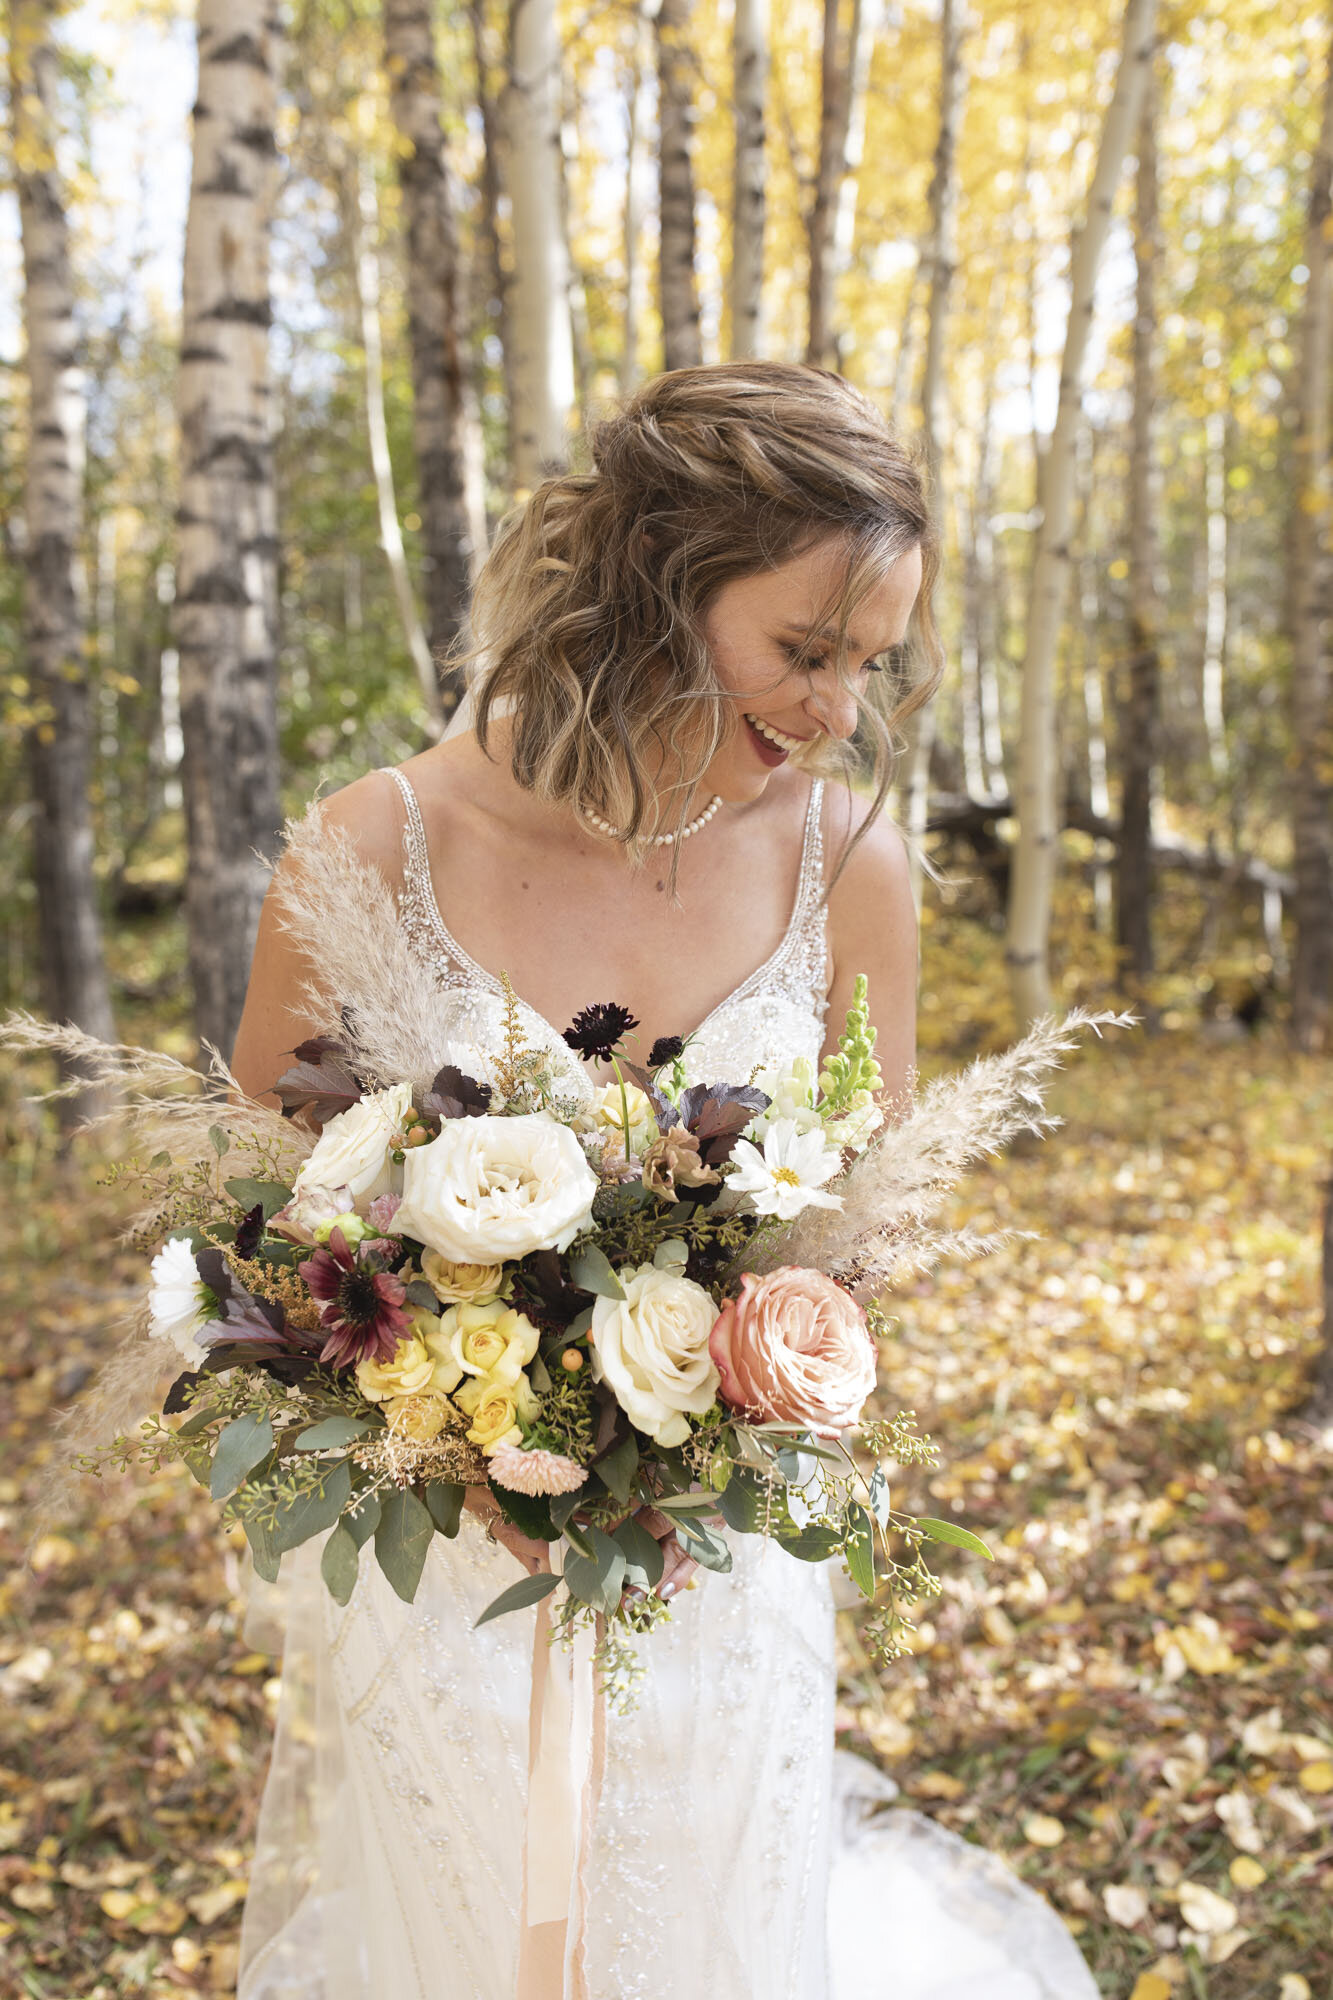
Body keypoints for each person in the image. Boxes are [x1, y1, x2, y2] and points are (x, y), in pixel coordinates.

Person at [228, 362, 1098, 2000]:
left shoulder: (849, 866)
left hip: (721, 1559)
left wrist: (730, 1405)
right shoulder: (370, 845)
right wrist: (449, 1427)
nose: (840, 706)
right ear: (650, 592)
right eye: (804, 649)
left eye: (870, 663)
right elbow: (265, 1214)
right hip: (444, 1561)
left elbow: (864, 1233)